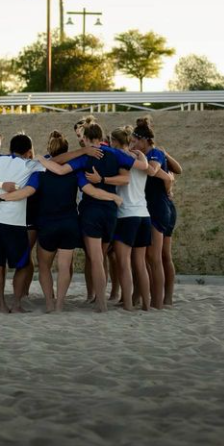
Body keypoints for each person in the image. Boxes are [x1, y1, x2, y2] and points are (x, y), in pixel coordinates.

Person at [0, 134, 43, 314]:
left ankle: (1, 305)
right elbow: (28, 191)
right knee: (23, 264)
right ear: (29, 151)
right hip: (14, 222)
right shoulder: (32, 165)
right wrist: (3, 196)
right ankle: (16, 303)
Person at [74, 122, 135, 313]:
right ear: (102, 137)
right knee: (102, 258)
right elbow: (126, 179)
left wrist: (99, 180)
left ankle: (100, 303)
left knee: (96, 259)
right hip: (110, 212)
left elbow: (60, 165)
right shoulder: (116, 154)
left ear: (86, 137)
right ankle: (109, 300)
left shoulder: (85, 156)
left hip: (91, 210)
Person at [129, 117, 181, 309]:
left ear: (144, 141)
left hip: (159, 209)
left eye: (135, 141)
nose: (132, 145)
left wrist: (167, 177)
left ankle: (160, 301)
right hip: (162, 207)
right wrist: (168, 177)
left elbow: (151, 170)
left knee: (155, 257)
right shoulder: (154, 153)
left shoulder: (155, 153)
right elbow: (177, 170)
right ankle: (163, 298)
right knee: (162, 256)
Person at [34, 131, 86, 312]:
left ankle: (49, 301)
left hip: (47, 223)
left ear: (49, 149)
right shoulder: (74, 169)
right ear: (66, 149)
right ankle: (60, 304)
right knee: (64, 267)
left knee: (44, 267)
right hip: (69, 223)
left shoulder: (41, 169)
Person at [108, 127, 151, 311]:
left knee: (124, 263)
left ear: (115, 142)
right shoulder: (141, 157)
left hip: (127, 215)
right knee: (140, 264)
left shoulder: (120, 158)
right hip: (144, 215)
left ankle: (127, 304)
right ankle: (147, 305)